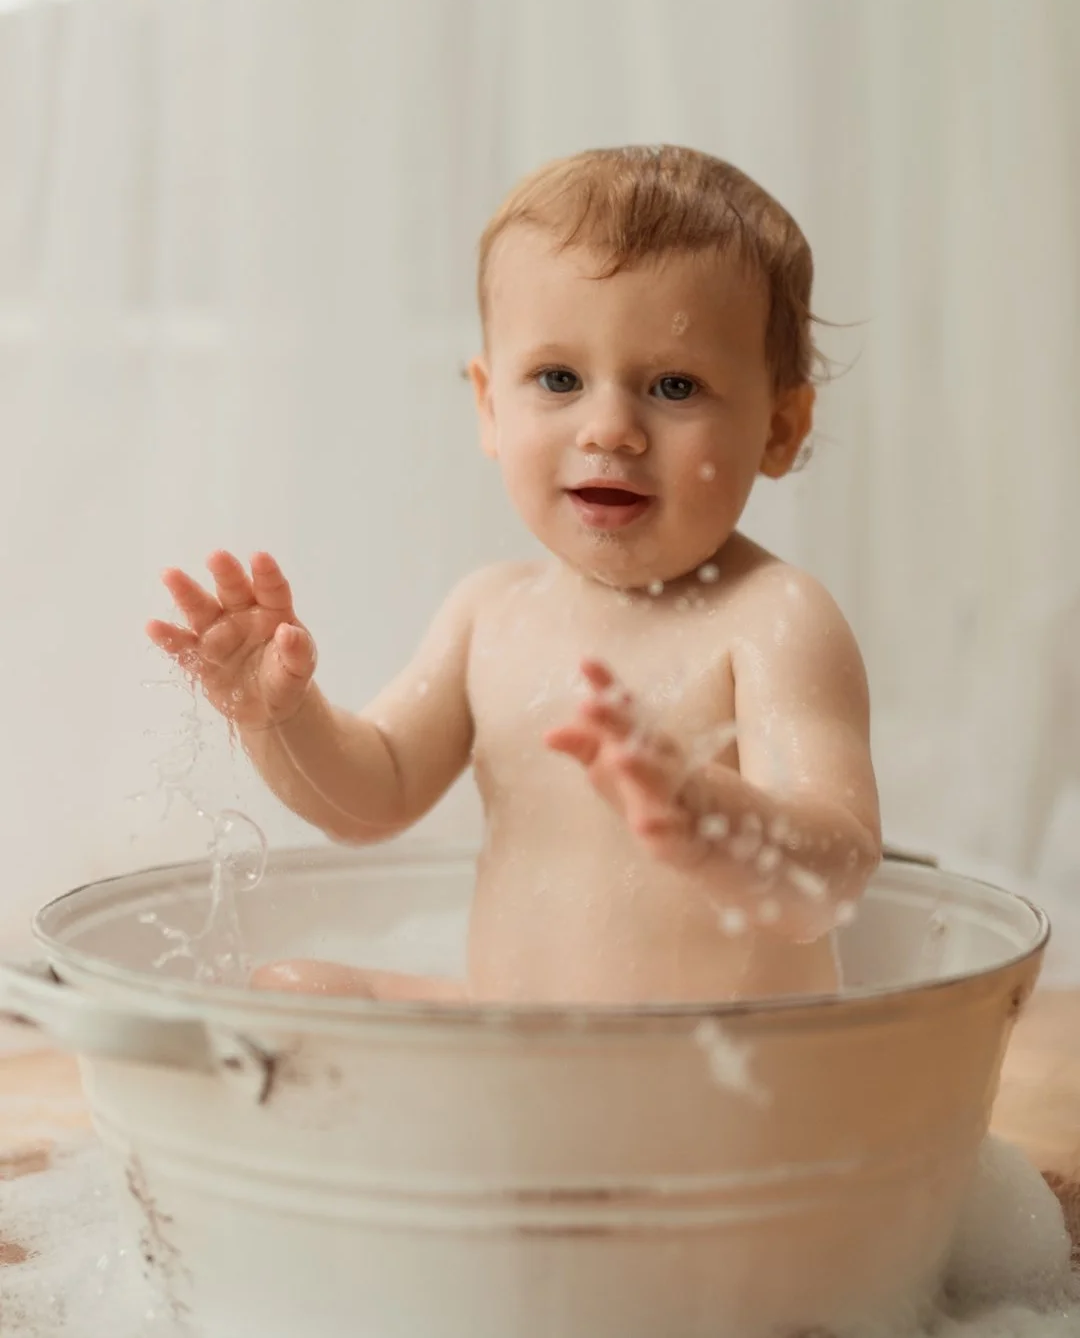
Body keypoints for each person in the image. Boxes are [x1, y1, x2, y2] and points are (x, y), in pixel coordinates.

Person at [147, 144, 881, 1005]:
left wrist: (708, 816)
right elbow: (371, 796)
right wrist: (281, 717)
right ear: (491, 406)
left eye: (675, 386)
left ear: (779, 429)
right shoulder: (490, 613)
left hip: (710, 1067)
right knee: (291, 992)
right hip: (515, 1045)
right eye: (559, 378)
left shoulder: (773, 619)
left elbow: (832, 879)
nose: (610, 428)